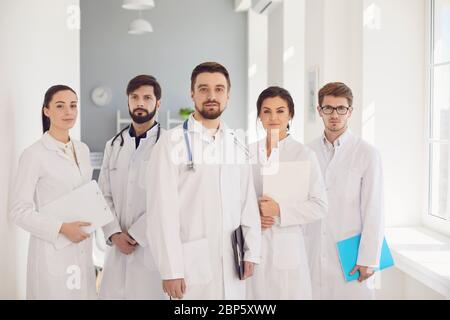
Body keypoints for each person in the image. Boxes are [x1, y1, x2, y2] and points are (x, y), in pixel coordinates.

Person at [146, 62, 261, 300]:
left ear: (228, 95)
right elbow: (161, 211)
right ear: (192, 93)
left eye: (219, 89)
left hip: (232, 263)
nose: (211, 96)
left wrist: (251, 251)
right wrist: (171, 269)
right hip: (189, 265)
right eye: (203, 89)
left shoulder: (237, 144)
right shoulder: (171, 143)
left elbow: (247, 203)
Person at [9, 85, 96, 299]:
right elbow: (18, 211)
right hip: (52, 252)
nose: (69, 111)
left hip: (82, 247)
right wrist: (61, 228)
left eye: (73, 105)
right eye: (60, 106)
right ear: (46, 111)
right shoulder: (34, 155)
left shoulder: (83, 150)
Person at [246, 86, 327, 300]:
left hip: (288, 247)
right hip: (252, 247)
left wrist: (279, 210)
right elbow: (234, 197)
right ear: (259, 116)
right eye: (266, 111)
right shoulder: (246, 152)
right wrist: (253, 212)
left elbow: (320, 205)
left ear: (290, 114)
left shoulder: (303, 154)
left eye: (280, 111)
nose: (273, 117)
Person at [306, 82, 385, 300]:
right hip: (313, 251)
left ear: (350, 111)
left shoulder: (367, 154)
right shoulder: (307, 151)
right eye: (328, 108)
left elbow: (374, 210)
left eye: (341, 108)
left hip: (352, 257)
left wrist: (369, 259)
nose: (335, 114)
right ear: (319, 111)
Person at [98, 75, 166, 299]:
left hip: (150, 248)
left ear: (157, 103)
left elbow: (168, 198)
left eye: (147, 97)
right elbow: (103, 195)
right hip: (116, 248)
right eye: (134, 97)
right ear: (127, 101)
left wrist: (137, 234)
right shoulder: (113, 145)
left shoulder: (168, 145)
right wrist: (114, 233)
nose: (140, 102)